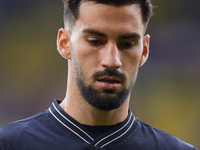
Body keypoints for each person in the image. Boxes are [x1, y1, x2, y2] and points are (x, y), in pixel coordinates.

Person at [0, 0, 197, 149]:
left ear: (144, 51)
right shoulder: (9, 144)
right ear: (64, 44)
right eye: (95, 41)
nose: (112, 61)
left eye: (127, 44)